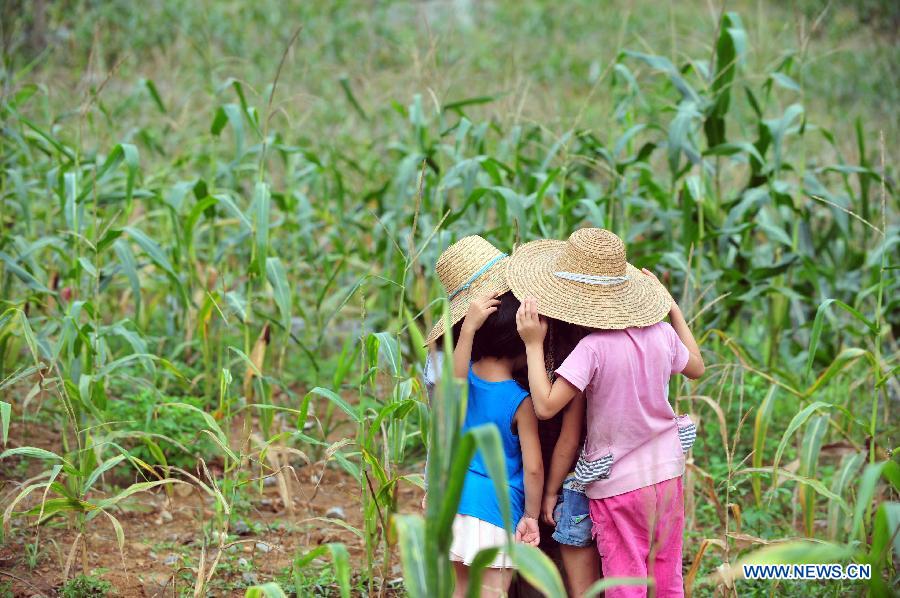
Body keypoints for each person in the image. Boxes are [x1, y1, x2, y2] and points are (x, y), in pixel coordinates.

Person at [507, 228, 705, 598]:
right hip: (667, 476)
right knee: (666, 573)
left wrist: (533, 345)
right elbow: (696, 367)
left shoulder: (592, 349)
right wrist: (673, 310)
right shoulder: (661, 334)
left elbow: (548, 407)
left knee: (624, 579)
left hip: (618, 487)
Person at [449, 291, 544, 597]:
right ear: (520, 345)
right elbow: (533, 468)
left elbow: (453, 378)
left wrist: (467, 329)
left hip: (459, 500)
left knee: (459, 589)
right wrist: (531, 516)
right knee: (492, 591)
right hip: (498, 509)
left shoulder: (465, 381)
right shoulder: (520, 402)